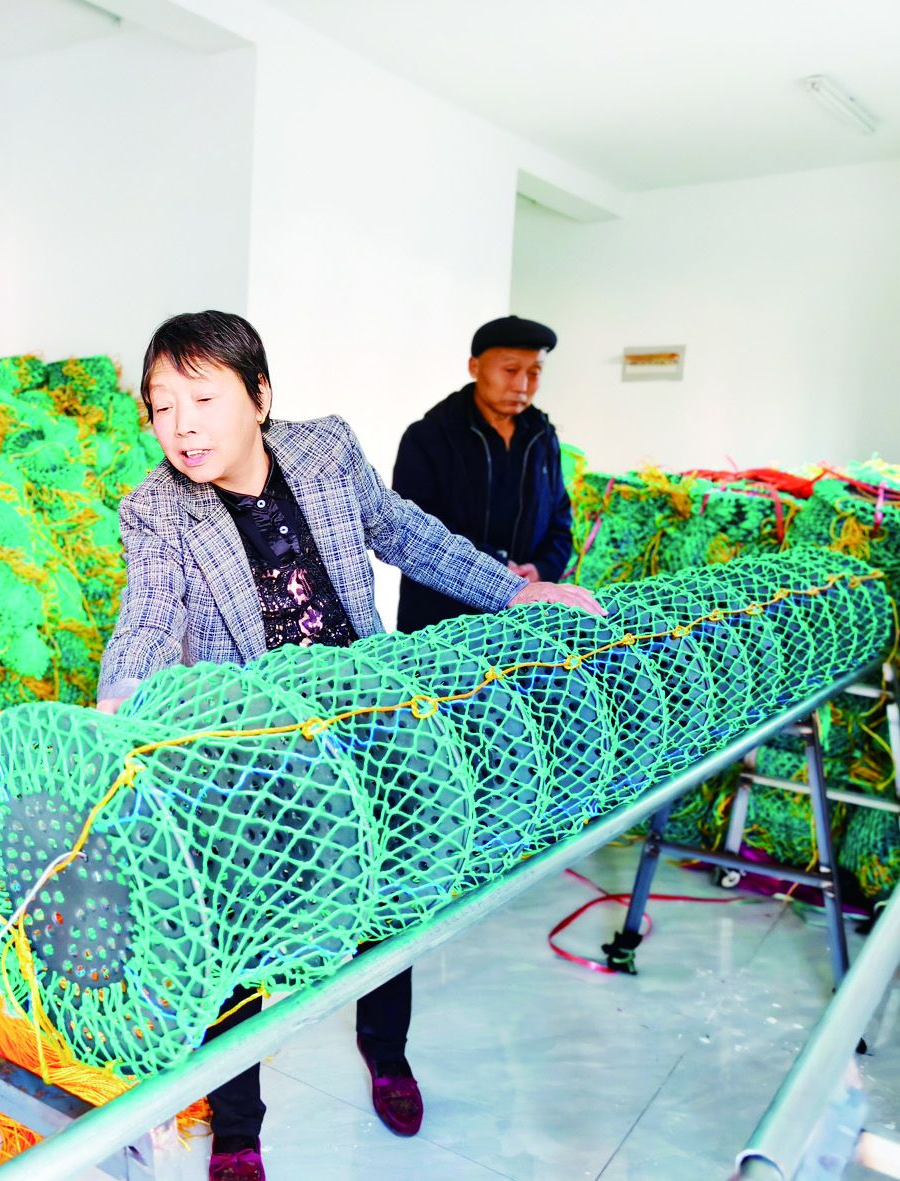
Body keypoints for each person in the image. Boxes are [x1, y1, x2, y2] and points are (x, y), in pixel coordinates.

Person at [96, 311, 602, 1181]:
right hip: (247, 748)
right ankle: (238, 1128)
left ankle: (387, 1053)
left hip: (364, 722)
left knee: (386, 900)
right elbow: (146, 611)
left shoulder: (325, 450)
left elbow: (405, 532)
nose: (180, 426)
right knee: (233, 931)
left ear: (258, 396)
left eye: (202, 400)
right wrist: (121, 693)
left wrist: (517, 593)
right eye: (161, 405)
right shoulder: (155, 509)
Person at [392, 315, 573, 633]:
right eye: (510, 370)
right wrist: (499, 568)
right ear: (474, 367)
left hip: (526, 616)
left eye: (534, 373)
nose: (522, 385)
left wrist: (541, 569)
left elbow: (560, 518)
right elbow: (414, 527)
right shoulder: (428, 437)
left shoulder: (543, 437)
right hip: (442, 620)